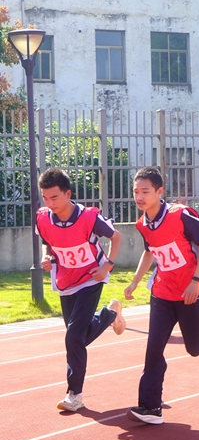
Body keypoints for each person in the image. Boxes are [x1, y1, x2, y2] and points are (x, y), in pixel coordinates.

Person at [123, 167, 199, 425]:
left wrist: (195, 281)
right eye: (135, 192)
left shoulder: (180, 215)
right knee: (154, 349)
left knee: (194, 348)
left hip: (191, 293)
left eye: (145, 191)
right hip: (163, 293)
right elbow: (150, 252)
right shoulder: (142, 223)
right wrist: (134, 282)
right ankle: (151, 408)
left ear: (159, 191)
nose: (139, 197)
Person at [36, 168, 126, 412]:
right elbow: (49, 244)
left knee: (74, 337)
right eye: (45, 198)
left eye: (54, 197)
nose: (49, 203)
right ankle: (110, 315)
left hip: (91, 278)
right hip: (66, 282)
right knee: (79, 336)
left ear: (68, 193)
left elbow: (116, 237)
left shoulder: (88, 217)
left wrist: (108, 264)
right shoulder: (43, 218)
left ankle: (74, 394)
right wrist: (48, 259)